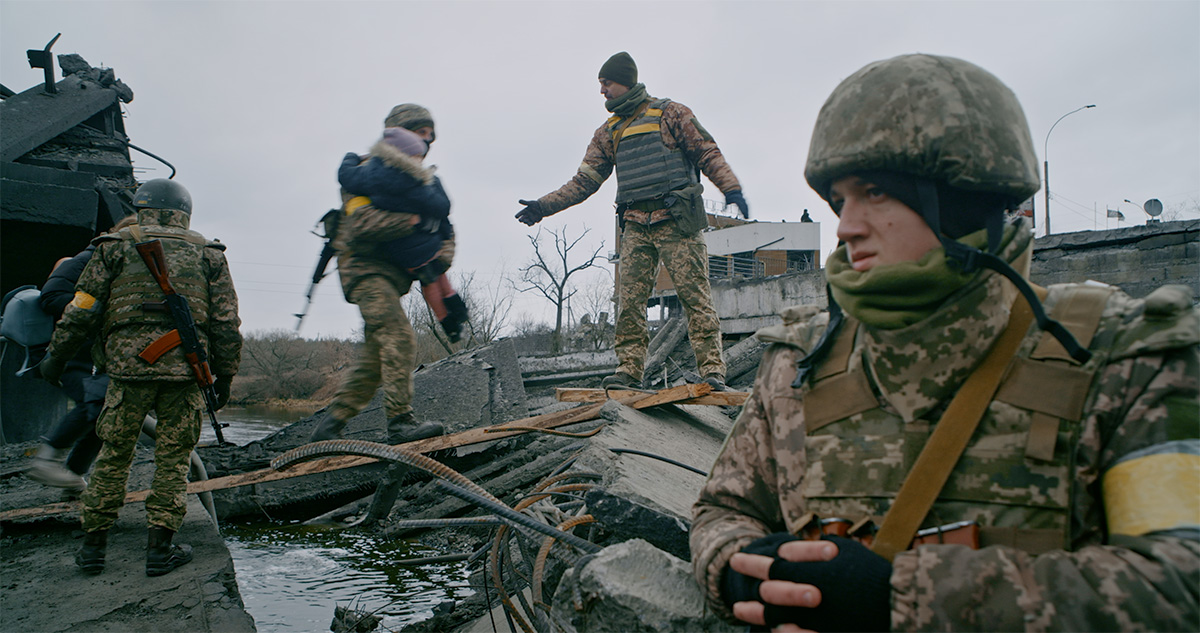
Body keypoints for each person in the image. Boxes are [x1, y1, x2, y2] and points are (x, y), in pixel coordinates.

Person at [690, 53, 1199, 632]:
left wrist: (903, 600)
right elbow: (721, 511)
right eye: (840, 199)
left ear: (961, 198)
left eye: (875, 192)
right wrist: (739, 569)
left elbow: (1179, 584)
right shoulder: (799, 361)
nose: (846, 226)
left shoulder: (1125, 356)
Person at [38, 179, 243, 577]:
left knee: (114, 456)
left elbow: (81, 310)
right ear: (185, 213)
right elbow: (225, 324)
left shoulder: (112, 247)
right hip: (184, 374)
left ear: (142, 207)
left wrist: (55, 359)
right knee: (173, 461)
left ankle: (93, 549)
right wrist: (225, 377)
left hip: (127, 371)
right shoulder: (209, 255)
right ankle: (159, 552)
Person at [515, 51, 747, 391]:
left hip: (676, 221)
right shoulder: (609, 131)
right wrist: (542, 206)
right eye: (600, 84)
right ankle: (628, 371)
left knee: (696, 299)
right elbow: (583, 182)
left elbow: (706, 151)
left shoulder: (670, 113)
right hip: (636, 225)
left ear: (625, 80)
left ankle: (713, 372)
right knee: (630, 305)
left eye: (606, 83)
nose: (602, 91)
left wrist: (731, 188)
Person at [309, 103, 449, 525]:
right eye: (420, 133)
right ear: (401, 134)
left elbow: (446, 234)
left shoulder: (420, 182)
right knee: (399, 336)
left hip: (393, 276)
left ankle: (331, 424)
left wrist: (435, 244)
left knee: (374, 359)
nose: (426, 142)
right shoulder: (367, 175)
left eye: (431, 135)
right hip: (365, 271)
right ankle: (401, 422)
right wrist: (415, 220)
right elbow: (364, 225)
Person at [27, 215, 138, 493]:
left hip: (93, 357)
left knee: (105, 414)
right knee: (98, 404)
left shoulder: (120, 264)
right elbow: (51, 296)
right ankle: (47, 461)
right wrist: (100, 309)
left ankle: (74, 477)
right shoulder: (88, 259)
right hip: (67, 352)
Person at [337, 125, 468, 342]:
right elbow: (441, 207)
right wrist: (424, 212)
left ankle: (451, 321)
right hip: (415, 248)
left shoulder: (370, 174)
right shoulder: (414, 180)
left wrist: (350, 158)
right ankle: (453, 317)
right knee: (435, 281)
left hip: (404, 250)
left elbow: (347, 175)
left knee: (433, 281)